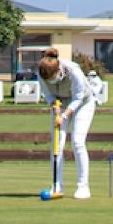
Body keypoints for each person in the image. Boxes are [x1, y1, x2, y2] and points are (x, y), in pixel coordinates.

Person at [36, 47, 96, 199]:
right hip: (61, 104)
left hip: (83, 104)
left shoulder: (73, 70)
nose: (51, 81)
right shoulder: (41, 73)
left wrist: (64, 115)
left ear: (58, 71)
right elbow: (47, 94)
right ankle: (57, 186)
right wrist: (53, 105)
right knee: (57, 145)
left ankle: (83, 187)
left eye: (53, 78)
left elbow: (78, 97)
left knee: (77, 142)